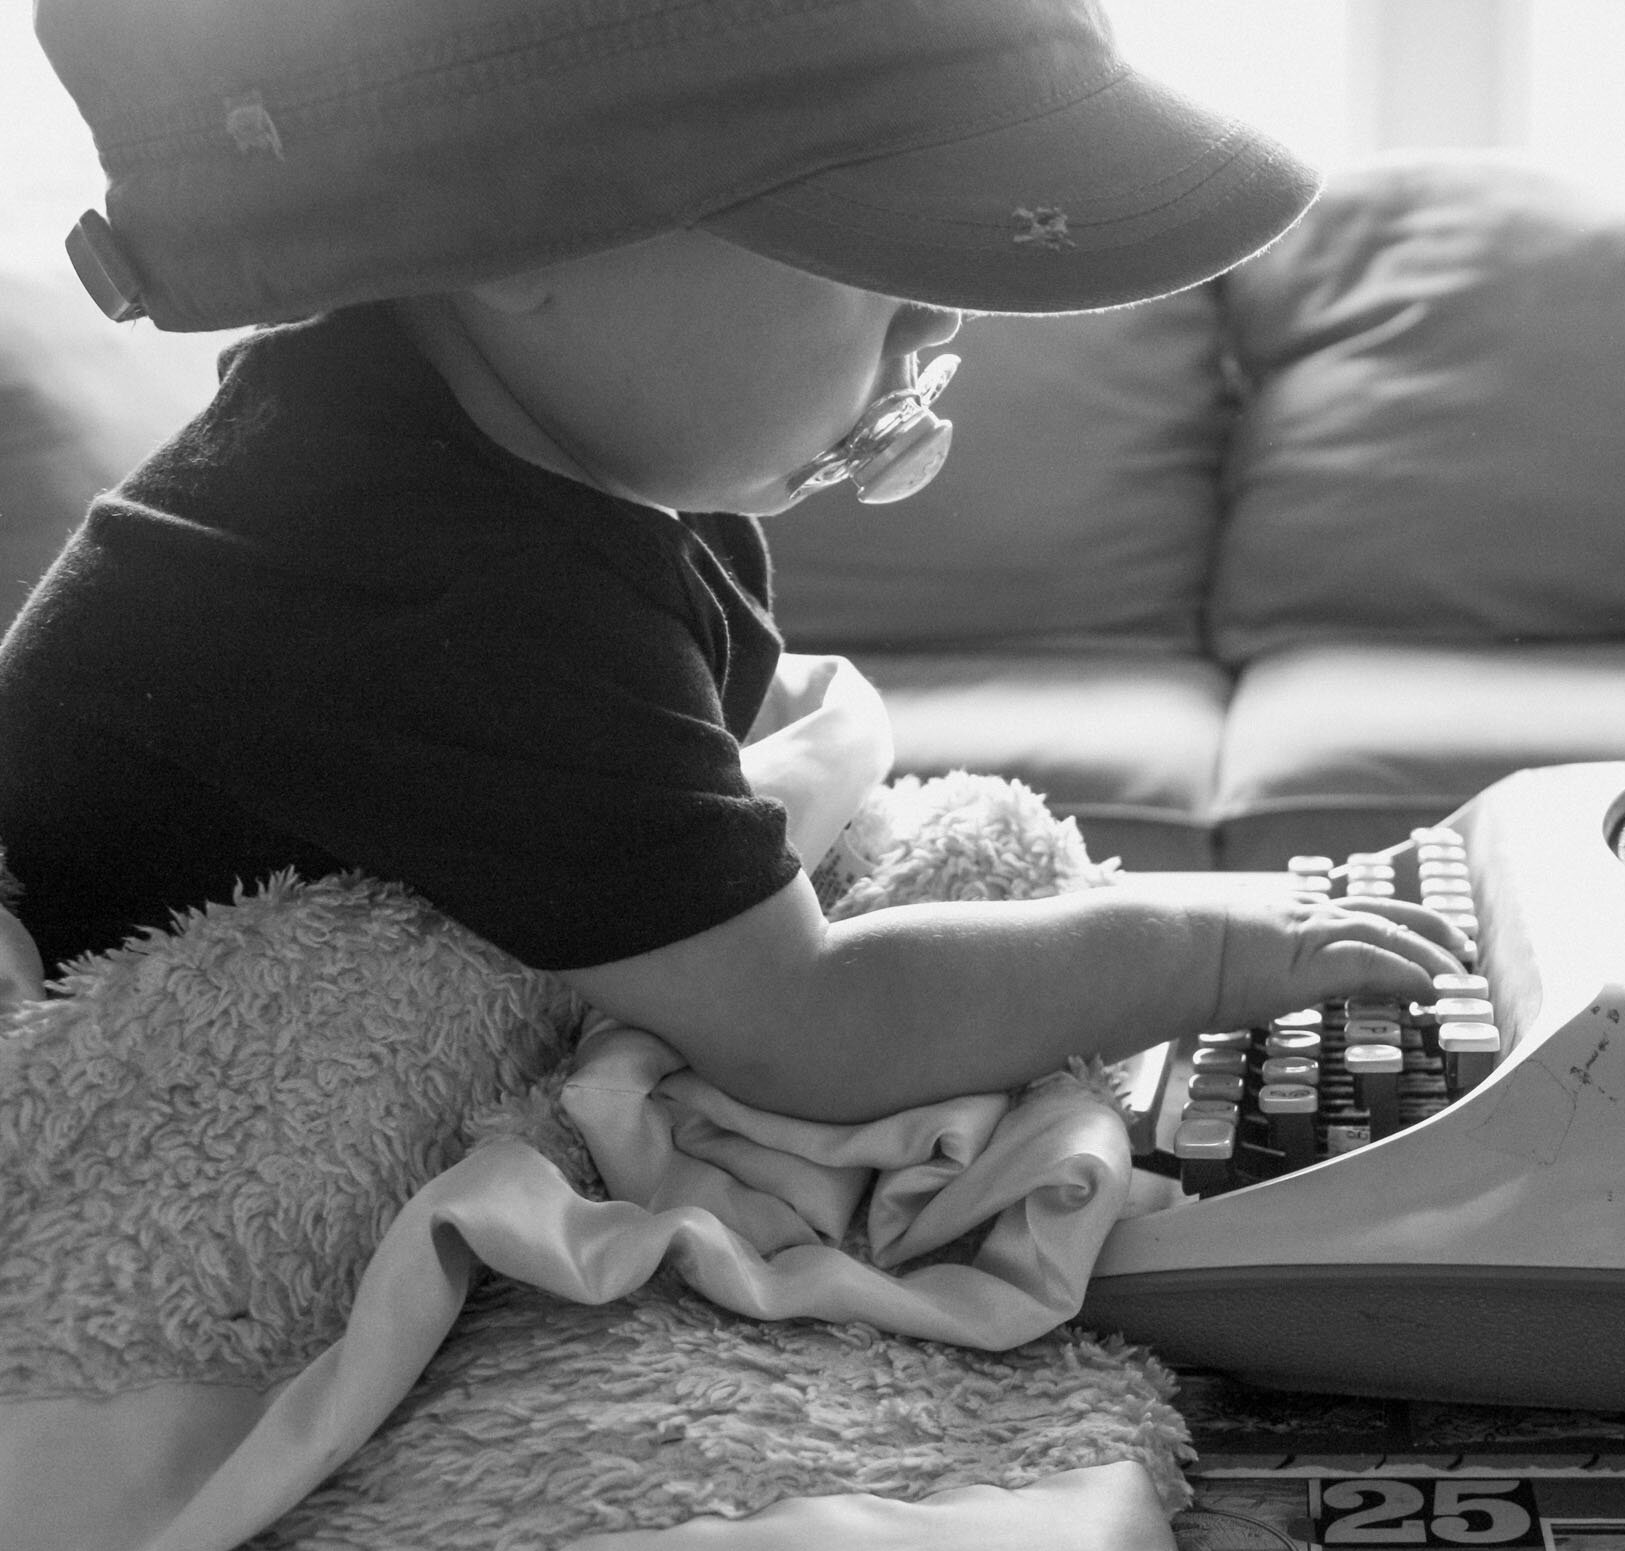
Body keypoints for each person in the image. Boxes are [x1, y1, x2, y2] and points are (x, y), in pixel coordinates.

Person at [0, 0, 1464, 1122]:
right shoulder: (414, 573)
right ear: (521, 229)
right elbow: (813, 1029)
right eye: (885, 262)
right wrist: (1200, 955)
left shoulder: (509, 457)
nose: (941, 330)